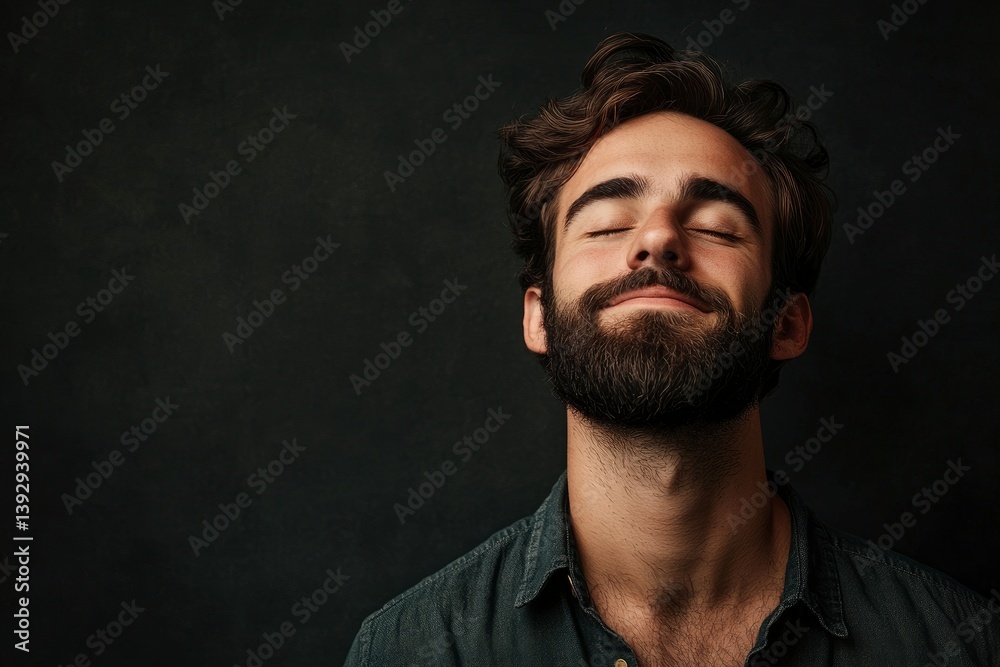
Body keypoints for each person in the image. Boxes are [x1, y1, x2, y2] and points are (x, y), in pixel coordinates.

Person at [344, 32, 1000, 666]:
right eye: (605, 222)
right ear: (538, 317)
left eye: (717, 226)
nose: (657, 238)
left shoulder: (958, 645)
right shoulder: (411, 650)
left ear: (788, 324)